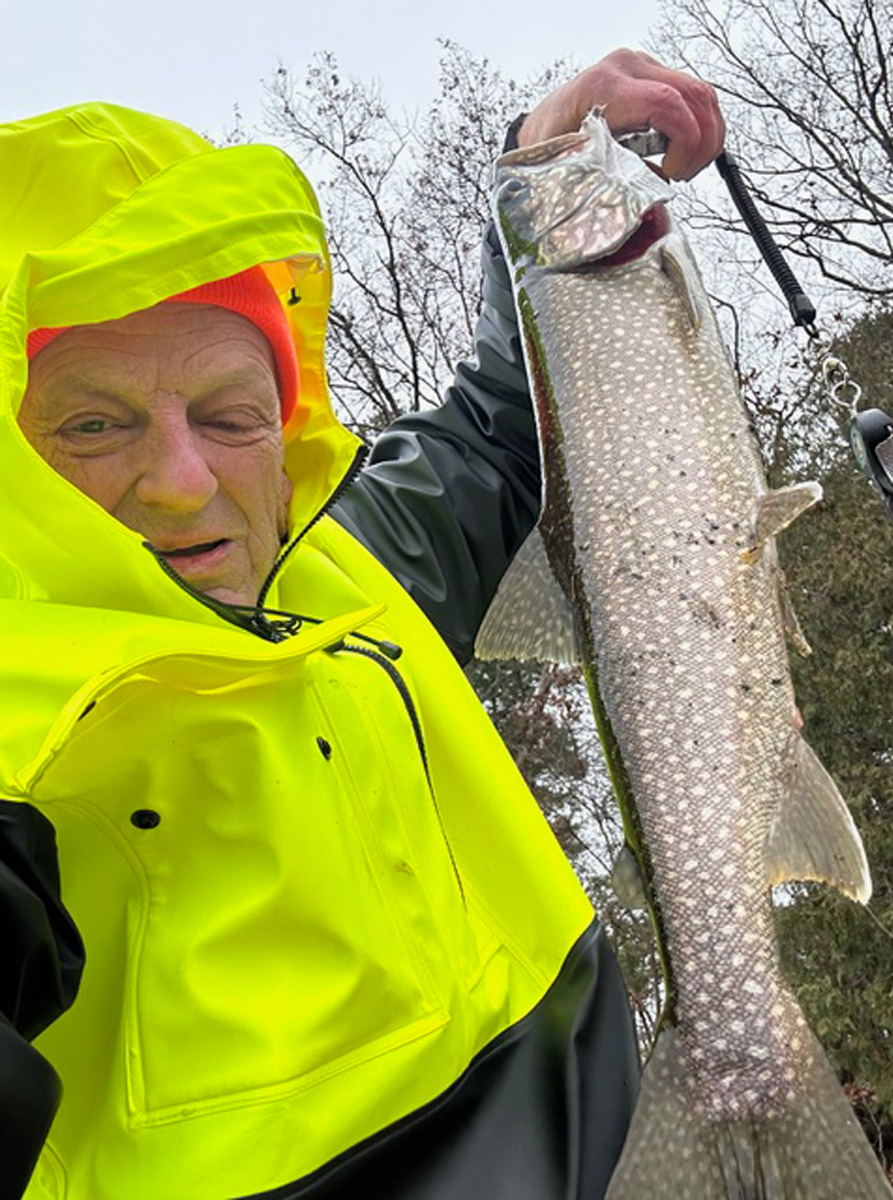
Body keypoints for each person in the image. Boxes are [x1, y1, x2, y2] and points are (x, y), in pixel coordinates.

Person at [0, 49, 724, 1199]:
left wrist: (541, 173)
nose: (184, 482)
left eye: (232, 414)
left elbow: (501, 425)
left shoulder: (350, 566)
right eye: (94, 426)